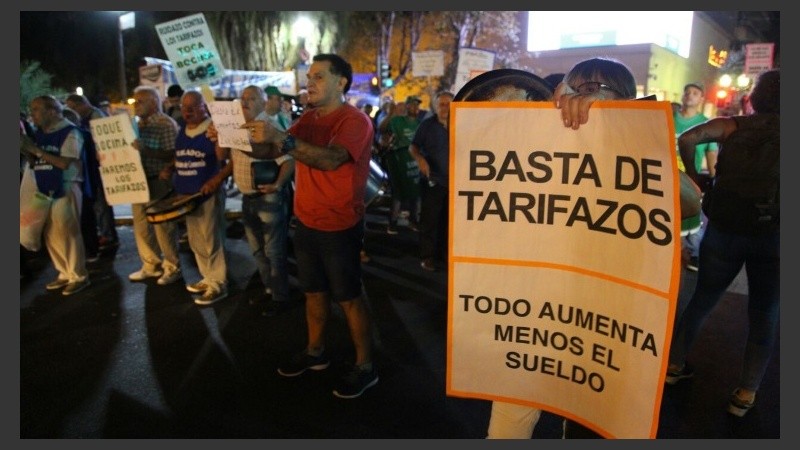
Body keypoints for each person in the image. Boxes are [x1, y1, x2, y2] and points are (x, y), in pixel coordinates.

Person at [244, 53, 378, 399]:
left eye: (318, 76)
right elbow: (271, 151)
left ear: (341, 82)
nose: (310, 82)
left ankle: (365, 366)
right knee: (313, 293)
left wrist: (280, 137)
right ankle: (315, 352)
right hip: (305, 221)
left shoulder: (355, 121)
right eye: (309, 77)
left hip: (339, 224)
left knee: (349, 298)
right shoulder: (307, 119)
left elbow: (331, 159)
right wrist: (235, 139)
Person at [666, 69, 780, 418]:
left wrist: (695, 177)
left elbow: (689, 138)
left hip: (724, 229)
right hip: (775, 236)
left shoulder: (732, 126)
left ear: (755, 97)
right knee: (764, 312)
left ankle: (674, 365)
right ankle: (745, 393)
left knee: (702, 299)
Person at [207, 85, 295, 316]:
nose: (244, 102)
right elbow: (222, 156)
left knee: (274, 251)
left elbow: (288, 160)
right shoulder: (235, 126)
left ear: (263, 103)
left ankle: (280, 297)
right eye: (243, 98)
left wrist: (278, 184)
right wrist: (219, 136)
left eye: (251, 98)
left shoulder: (269, 127)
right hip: (248, 197)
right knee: (257, 250)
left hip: (269, 195)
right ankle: (270, 289)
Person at [19, 95, 90, 296]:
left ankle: (78, 275)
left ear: (51, 111)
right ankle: (64, 272)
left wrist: (36, 150)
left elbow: (65, 163)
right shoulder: (42, 133)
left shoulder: (71, 132)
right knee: (50, 231)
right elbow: (38, 161)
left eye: (36, 109)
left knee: (67, 231)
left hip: (66, 185)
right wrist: (27, 152)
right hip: (44, 186)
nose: (32, 114)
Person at [171, 90, 230, 306]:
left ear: (204, 107)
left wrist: (219, 138)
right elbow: (179, 157)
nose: (187, 111)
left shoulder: (212, 128)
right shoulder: (182, 129)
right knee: (196, 241)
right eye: (184, 107)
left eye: (193, 106)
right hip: (188, 195)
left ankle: (218, 283)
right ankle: (208, 277)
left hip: (207, 194)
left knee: (211, 240)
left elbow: (223, 157)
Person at [128, 86, 183, 286]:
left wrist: (146, 150)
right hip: (138, 181)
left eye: (140, 101)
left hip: (159, 181)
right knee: (142, 227)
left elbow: (172, 154)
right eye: (135, 101)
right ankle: (150, 264)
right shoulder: (135, 125)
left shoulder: (165, 124)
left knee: (163, 227)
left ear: (153, 103)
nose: (136, 105)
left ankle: (172, 267)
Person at [65, 94, 119, 258]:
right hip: (94, 167)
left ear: (82, 104)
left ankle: (108, 235)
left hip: (99, 167)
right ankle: (105, 233)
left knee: (101, 202)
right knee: (98, 203)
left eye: (73, 108)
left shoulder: (96, 118)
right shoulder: (88, 118)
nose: (73, 112)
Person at [674, 83, 718, 272]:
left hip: (689, 180)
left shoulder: (706, 124)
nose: (689, 95)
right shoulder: (669, 117)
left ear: (701, 99)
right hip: (665, 177)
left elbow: (711, 153)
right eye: (687, 92)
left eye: (695, 93)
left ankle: (693, 255)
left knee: (692, 220)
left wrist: (715, 180)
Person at [409, 91, 454, 272]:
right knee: (430, 220)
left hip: (455, 182)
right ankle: (427, 256)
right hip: (433, 180)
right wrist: (420, 159)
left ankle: (445, 254)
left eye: (448, 104)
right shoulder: (427, 125)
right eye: (441, 104)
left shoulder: (461, 123)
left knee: (448, 221)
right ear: (435, 107)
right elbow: (413, 147)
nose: (445, 108)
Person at [379, 95, 423, 234]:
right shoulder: (398, 121)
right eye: (412, 104)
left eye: (417, 105)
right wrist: (390, 114)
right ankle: (392, 223)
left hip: (414, 164)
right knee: (398, 193)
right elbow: (382, 129)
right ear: (407, 106)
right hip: (400, 163)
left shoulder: (420, 124)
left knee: (416, 193)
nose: (415, 107)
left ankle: (413, 220)